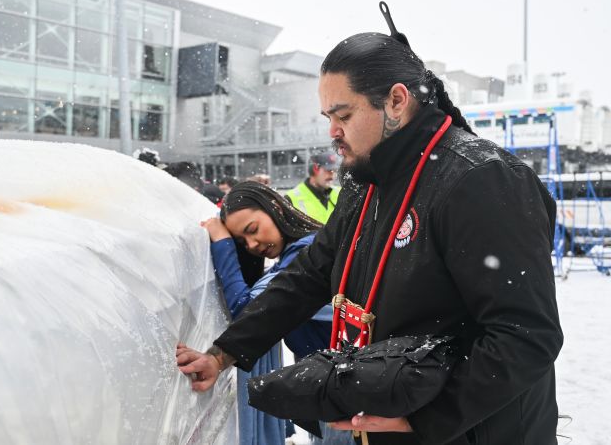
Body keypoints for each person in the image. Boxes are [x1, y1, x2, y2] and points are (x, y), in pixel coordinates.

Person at [176, 27, 562, 445]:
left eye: (344, 116)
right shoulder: (366, 181)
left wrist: (428, 418)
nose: (333, 132)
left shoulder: (480, 180)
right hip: (387, 424)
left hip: (470, 433)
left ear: (397, 101)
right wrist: (223, 353)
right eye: (329, 119)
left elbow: (524, 336)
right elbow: (309, 275)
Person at [194, 181, 352, 445]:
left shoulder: (305, 255)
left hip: (343, 386)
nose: (253, 244)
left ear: (275, 207)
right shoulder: (297, 254)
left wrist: (222, 243)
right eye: (242, 242)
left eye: (253, 230)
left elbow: (250, 310)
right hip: (333, 385)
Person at [286, 151, 341, 224]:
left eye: (335, 170)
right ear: (315, 169)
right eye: (329, 170)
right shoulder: (291, 198)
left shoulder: (341, 193)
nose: (333, 175)